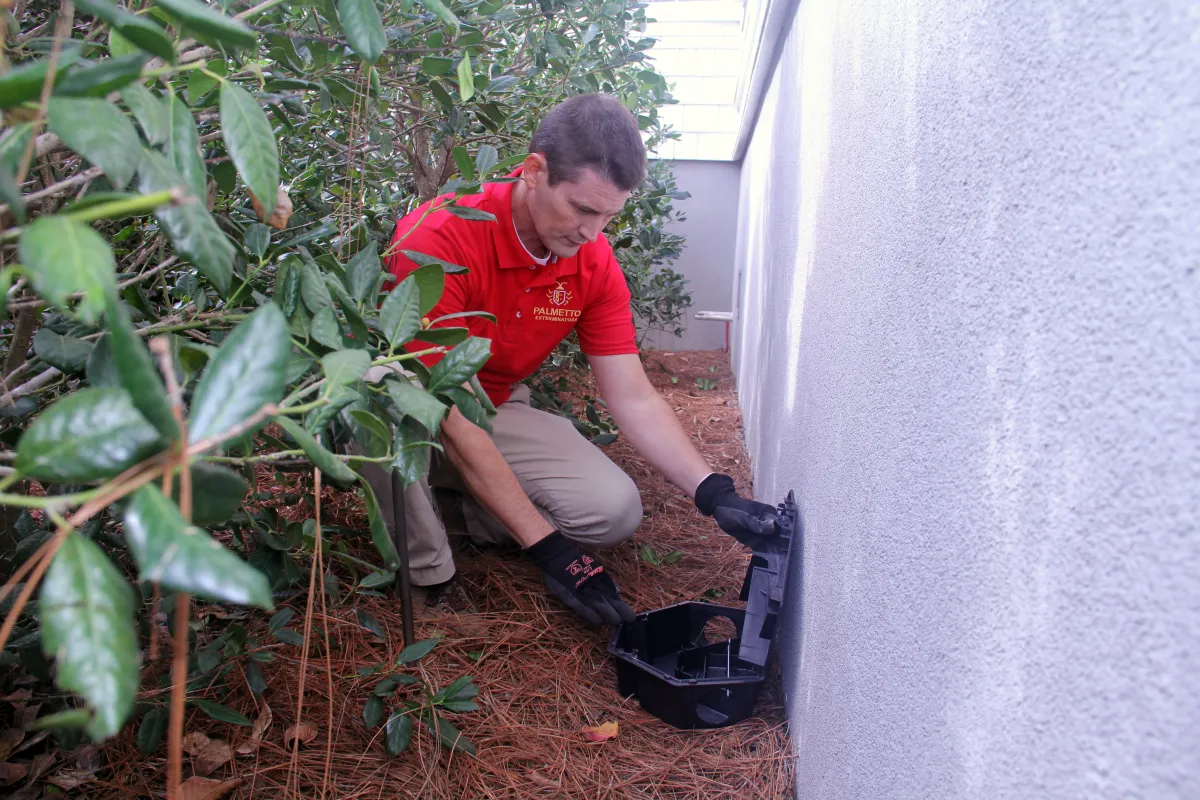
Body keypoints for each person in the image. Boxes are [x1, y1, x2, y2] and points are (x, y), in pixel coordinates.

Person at [363, 94, 779, 626]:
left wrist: (714, 491)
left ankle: (447, 510)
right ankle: (428, 576)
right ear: (534, 172)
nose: (592, 233)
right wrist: (548, 549)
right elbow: (448, 409)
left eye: (609, 215)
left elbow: (631, 394)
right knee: (375, 390)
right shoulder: (440, 236)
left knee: (612, 512)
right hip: (421, 406)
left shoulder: (592, 262)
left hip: (496, 407)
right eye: (583, 209)